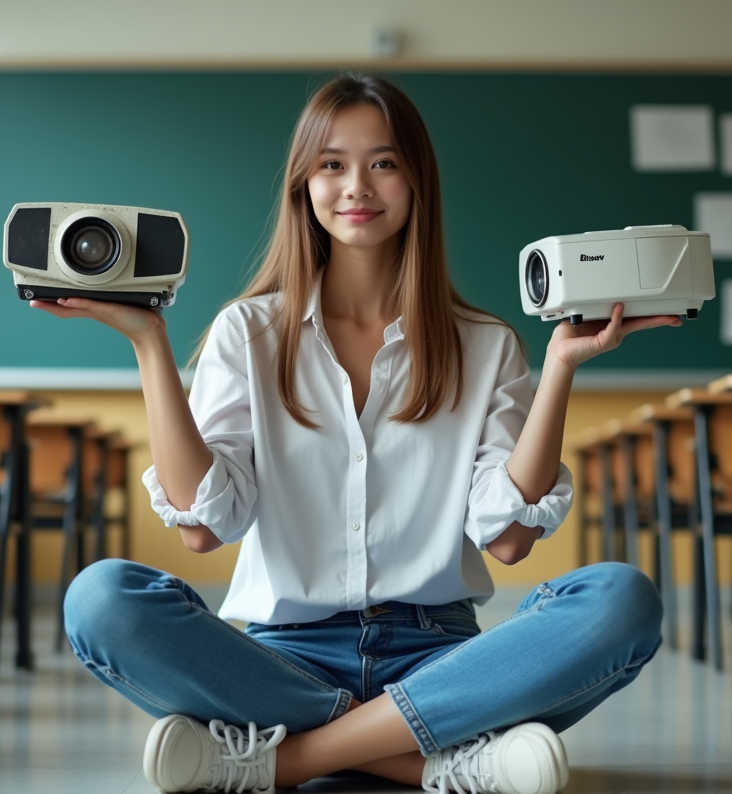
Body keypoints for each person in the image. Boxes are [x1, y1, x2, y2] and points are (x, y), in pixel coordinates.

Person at [41, 74, 674, 794]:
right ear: (303, 185)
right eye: (332, 164)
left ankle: (281, 759)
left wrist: (562, 365)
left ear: (416, 181)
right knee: (101, 599)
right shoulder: (246, 332)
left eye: (384, 162)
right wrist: (150, 343)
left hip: (439, 659)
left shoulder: (486, 345)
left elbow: (509, 540)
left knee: (623, 600)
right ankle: (442, 760)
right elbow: (203, 529)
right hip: (283, 661)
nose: (357, 187)